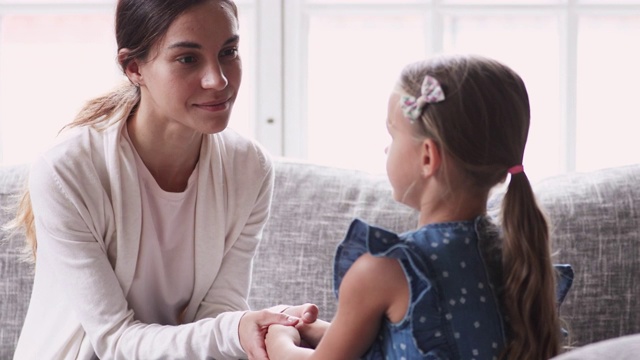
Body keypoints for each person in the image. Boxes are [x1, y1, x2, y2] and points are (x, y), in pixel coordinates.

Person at [10, 0, 317, 359]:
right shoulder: (68, 171)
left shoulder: (249, 168)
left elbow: (217, 317)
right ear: (134, 67)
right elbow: (114, 341)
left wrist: (264, 325)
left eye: (229, 52)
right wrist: (237, 329)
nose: (218, 79)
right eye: (188, 58)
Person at [264, 54, 573, 360]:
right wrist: (310, 328)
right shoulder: (520, 257)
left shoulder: (384, 270)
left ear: (427, 157)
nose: (386, 148)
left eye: (392, 134)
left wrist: (279, 335)